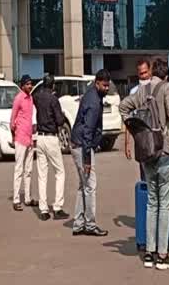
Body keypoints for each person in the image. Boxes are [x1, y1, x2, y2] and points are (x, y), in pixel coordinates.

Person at [119, 58, 169, 271]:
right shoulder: (167, 88)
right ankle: (162, 255)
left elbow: (123, 107)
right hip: (165, 150)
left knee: (152, 203)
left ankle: (149, 253)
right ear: (166, 74)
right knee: (164, 205)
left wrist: (137, 130)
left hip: (147, 151)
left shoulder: (142, 90)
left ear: (152, 73)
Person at [69, 69, 111, 237]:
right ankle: (90, 224)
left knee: (83, 186)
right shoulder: (94, 102)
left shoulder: (93, 95)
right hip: (81, 146)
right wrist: (87, 159)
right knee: (90, 186)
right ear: (97, 83)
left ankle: (79, 223)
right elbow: (88, 132)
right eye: (104, 85)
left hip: (79, 144)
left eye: (108, 85)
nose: (106, 88)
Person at [33, 74, 69, 221]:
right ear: (53, 85)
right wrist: (62, 115)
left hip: (39, 138)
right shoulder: (54, 99)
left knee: (42, 175)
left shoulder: (38, 97)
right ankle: (57, 207)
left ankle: (43, 210)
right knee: (60, 172)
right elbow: (60, 121)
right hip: (51, 138)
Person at [10, 74, 37, 212]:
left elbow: (31, 119)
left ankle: (27, 197)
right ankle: (16, 199)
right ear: (22, 86)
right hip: (20, 138)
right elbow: (12, 120)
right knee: (19, 169)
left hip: (29, 138)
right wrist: (14, 136)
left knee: (29, 170)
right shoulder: (19, 98)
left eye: (31, 84)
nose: (30, 86)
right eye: (27, 84)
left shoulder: (31, 98)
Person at [124, 59, 152, 163]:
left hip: (157, 139)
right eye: (141, 74)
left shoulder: (157, 89)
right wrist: (127, 144)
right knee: (145, 175)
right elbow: (129, 118)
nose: (144, 76)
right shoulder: (134, 92)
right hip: (142, 140)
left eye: (145, 72)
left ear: (149, 71)